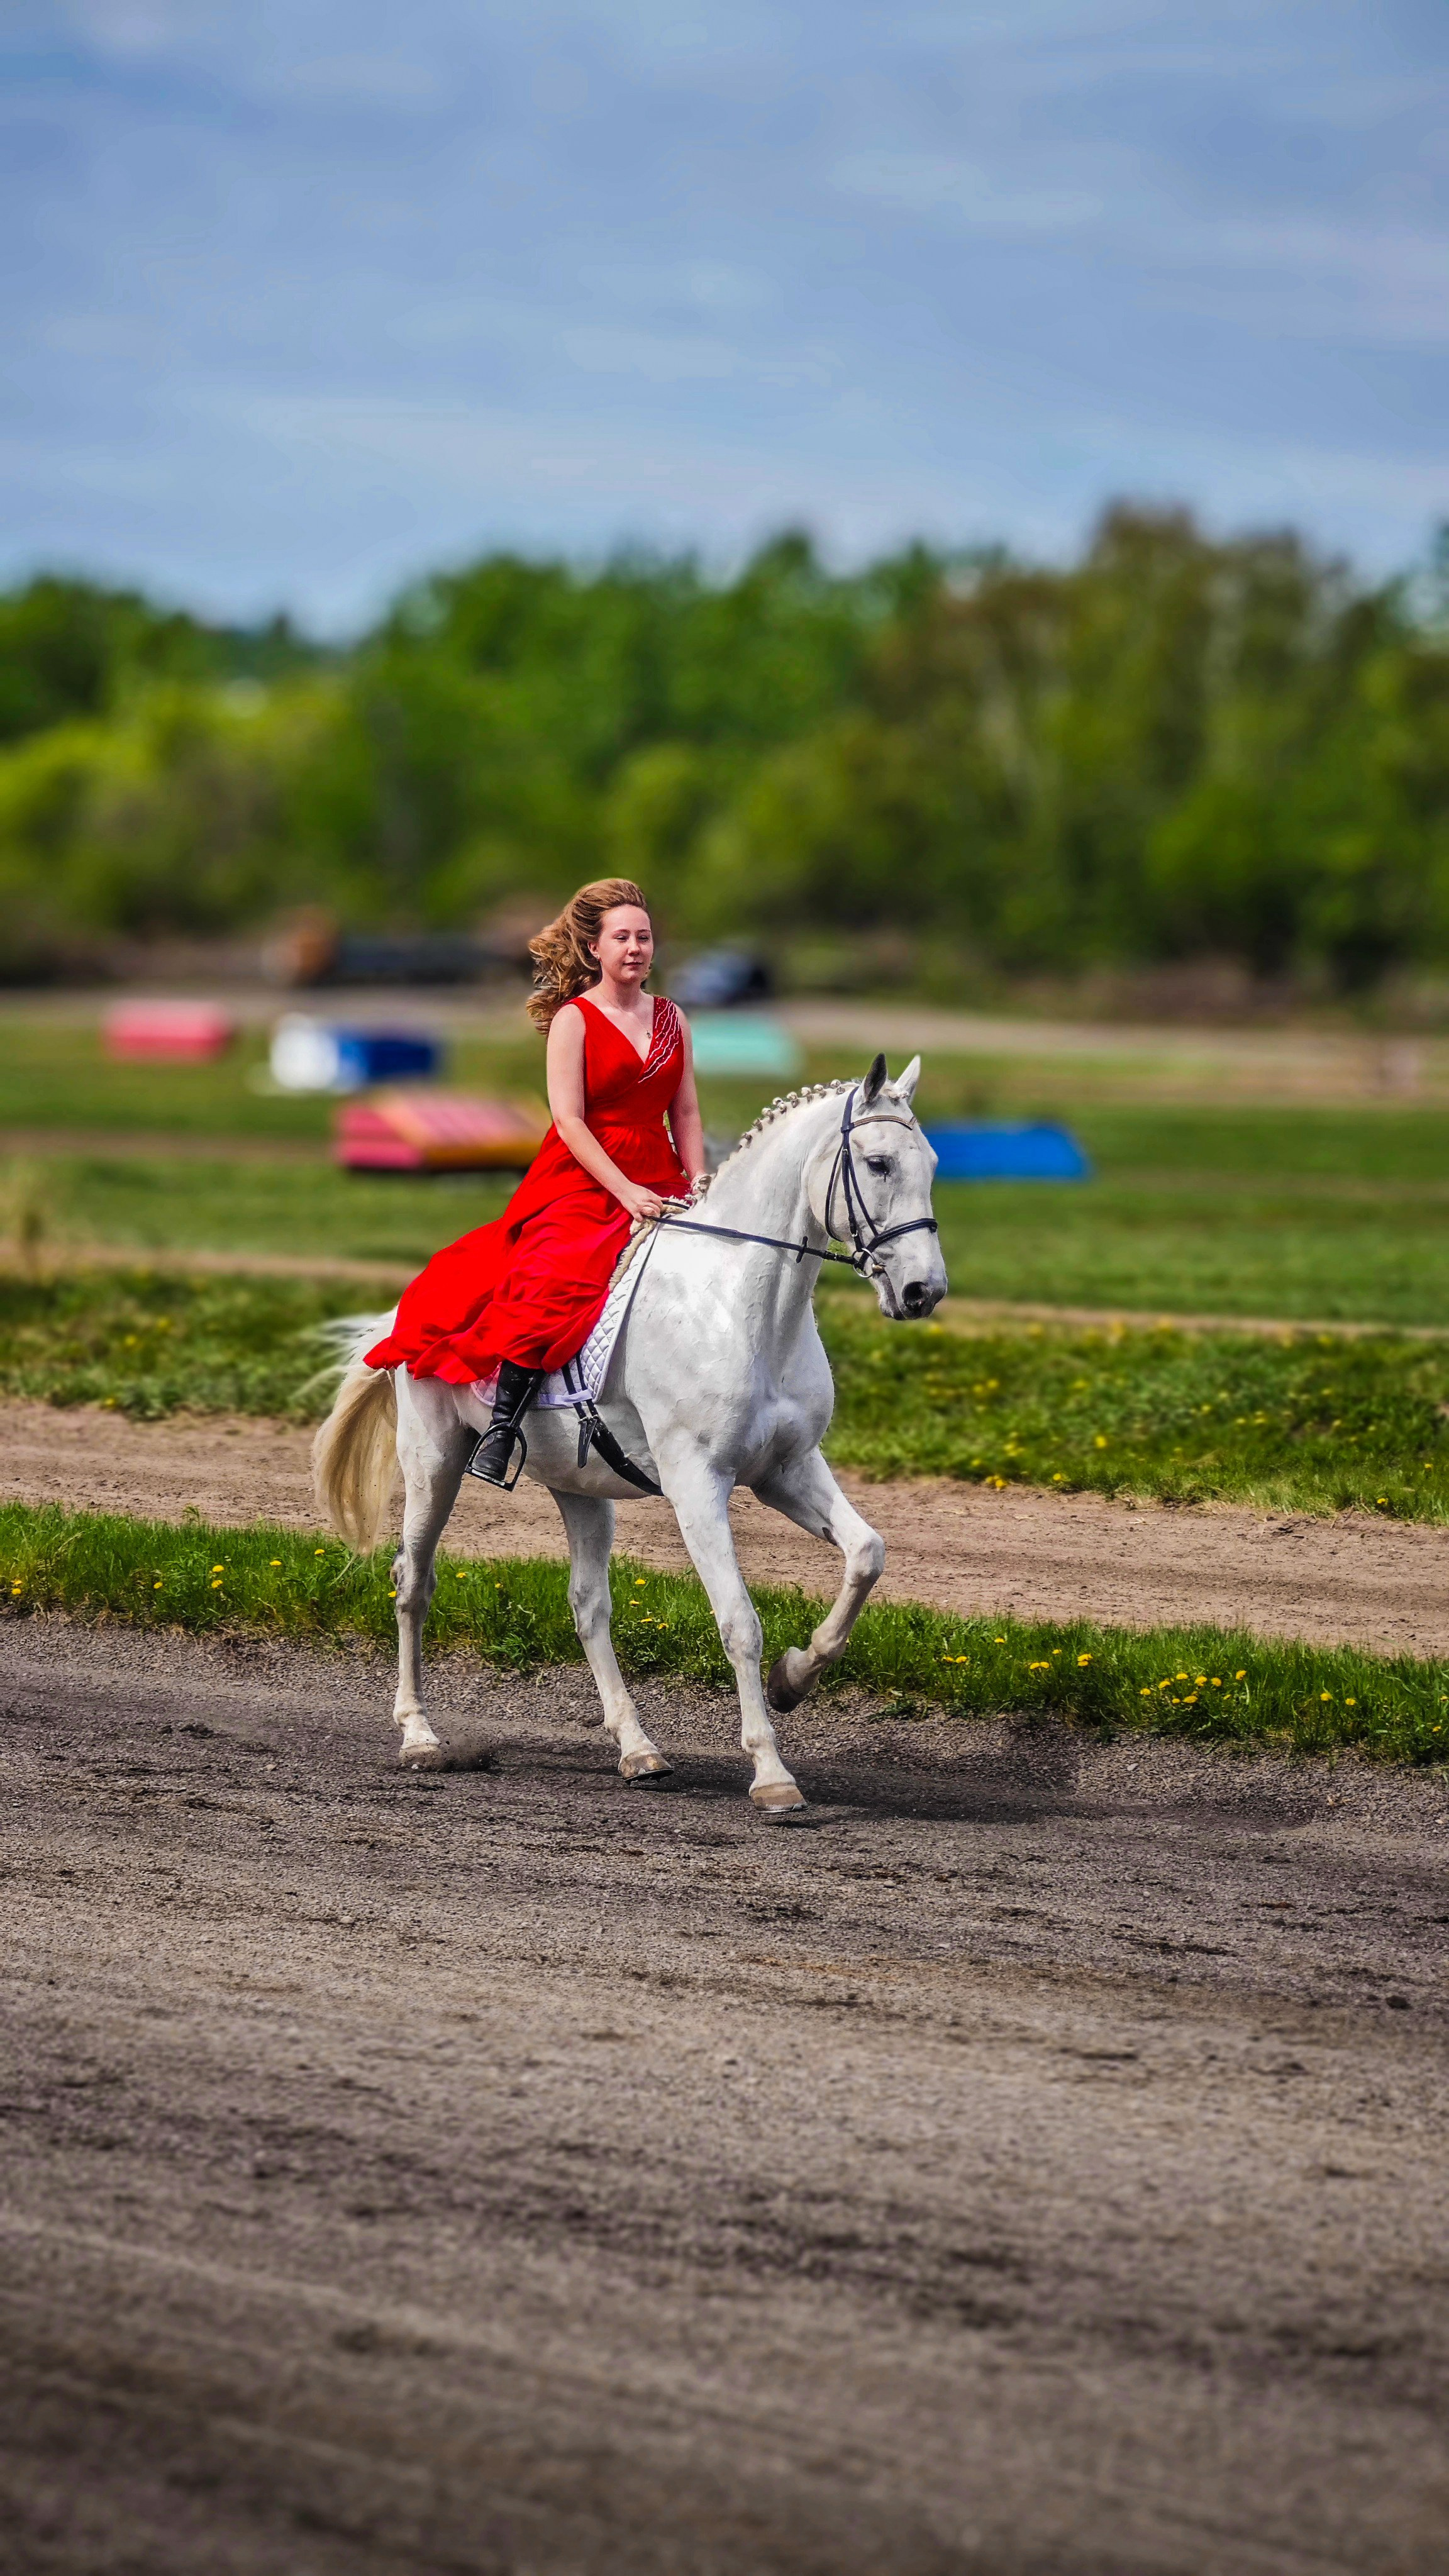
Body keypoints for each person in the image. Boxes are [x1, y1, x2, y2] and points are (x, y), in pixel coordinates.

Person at [364, 878, 706, 1485]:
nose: (635, 948)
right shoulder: (575, 1020)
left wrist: (701, 1182)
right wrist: (625, 1192)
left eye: (644, 937)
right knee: (555, 1276)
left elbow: (685, 1113)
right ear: (595, 949)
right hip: (583, 1174)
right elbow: (569, 1120)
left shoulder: (674, 1017)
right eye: (621, 937)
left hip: (661, 1166)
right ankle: (502, 1428)